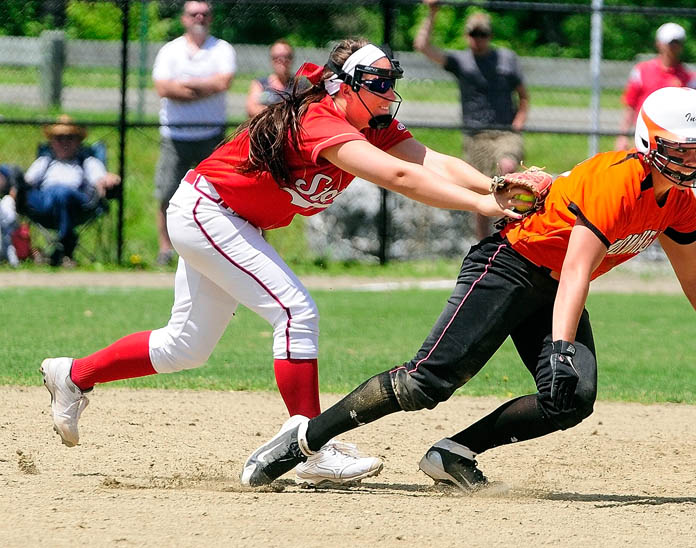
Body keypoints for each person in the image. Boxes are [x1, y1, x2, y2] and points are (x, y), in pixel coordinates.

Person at [39, 38, 525, 488]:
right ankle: (312, 449)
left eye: (390, 83)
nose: (387, 92)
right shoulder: (321, 119)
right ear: (345, 85)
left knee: (184, 347)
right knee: (295, 312)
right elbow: (399, 176)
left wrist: (494, 187)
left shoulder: (368, 123)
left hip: (232, 220)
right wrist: (482, 208)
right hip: (209, 211)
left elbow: (428, 161)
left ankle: (74, 375)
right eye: (376, 83)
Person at [241, 87, 696, 492]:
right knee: (426, 383)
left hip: (554, 285)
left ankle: (452, 454)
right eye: (683, 151)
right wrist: (562, 346)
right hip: (510, 265)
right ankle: (306, 439)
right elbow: (576, 267)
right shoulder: (617, 180)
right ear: (650, 143)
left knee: (569, 400)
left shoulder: (678, 201)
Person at [414, 1, 529, 240]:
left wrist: (518, 124)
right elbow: (422, 46)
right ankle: (483, 243)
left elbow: (523, 95)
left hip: (504, 132)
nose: (479, 39)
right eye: (474, 34)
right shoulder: (461, 62)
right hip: (475, 135)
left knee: (507, 169)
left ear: (490, 35)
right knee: (482, 189)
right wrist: (432, 12)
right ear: (467, 36)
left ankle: (512, 236)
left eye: (483, 34)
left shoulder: (506, 59)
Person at [152, 0, 236, 265]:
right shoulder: (170, 50)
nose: (199, 17)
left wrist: (186, 86)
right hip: (175, 136)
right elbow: (163, 88)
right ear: (184, 18)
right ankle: (165, 250)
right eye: (193, 13)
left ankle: (216, 247)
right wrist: (204, 88)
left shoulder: (221, 49)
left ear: (211, 18)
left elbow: (223, 82)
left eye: (205, 13)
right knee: (166, 193)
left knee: (220, 195)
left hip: (211, 135)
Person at [22, 115, 120, 267]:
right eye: (59, 138)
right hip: (44, 205)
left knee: (62, 193)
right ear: (52, 142)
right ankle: (33, 249)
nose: (64, 143)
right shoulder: (44, 162)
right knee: (22, 190)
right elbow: (26, 182)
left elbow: (101, 179)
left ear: (78, 141)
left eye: (69, 138)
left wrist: (110, 179)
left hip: (77, 204)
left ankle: (63, 248)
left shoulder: (87, 162)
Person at [615, 22, 696, 151]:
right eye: (670, 43)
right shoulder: (642, 71)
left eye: (677, 43)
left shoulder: (689, 78)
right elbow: (630, 105)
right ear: (659, 44)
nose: (673, 47)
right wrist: (622, 136)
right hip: (644, 135)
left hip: (674, 140)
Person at [246, 39, 294, 117]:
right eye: (277, 57)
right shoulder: (260, 84)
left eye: (286, 56)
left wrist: (267, 110)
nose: (281, 60)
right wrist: (283, 113)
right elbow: (252, 109)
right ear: (271, 59)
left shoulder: (300, 85)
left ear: (292, 59)